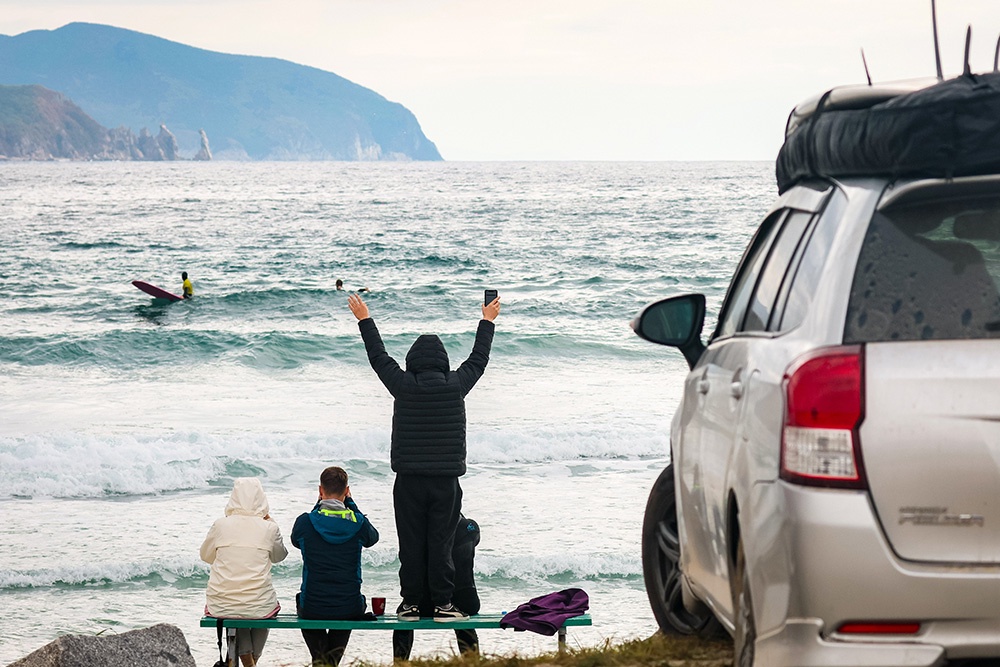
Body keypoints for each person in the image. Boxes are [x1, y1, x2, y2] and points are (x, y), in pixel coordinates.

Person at [347, 292, 499, 621]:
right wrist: (487, 321)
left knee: (411, 545)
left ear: (413, 361)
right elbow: (479, 359)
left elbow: (378, 357)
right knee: (442, 544)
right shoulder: (456, 384)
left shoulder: (403, 384)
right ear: (443, 361)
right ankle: (444, 604)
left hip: (409, 482)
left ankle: (412, 604)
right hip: (446, 483)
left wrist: (364, 319)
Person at [291, 466, 379, 666]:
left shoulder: (304, 522)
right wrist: (352, 506)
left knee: (303, 603)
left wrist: (318, 504)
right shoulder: (358, 523)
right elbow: (372, 538)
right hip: (349, 606)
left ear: (320, 490)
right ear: (347, 491)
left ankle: (322, 662)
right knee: (349, 605)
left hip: (312, 606)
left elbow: (296, 540)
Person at [201, 478, 288, 667]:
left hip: (221, 603)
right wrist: (271, 523)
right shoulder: (269, 527)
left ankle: (245, 662)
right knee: (261, 606)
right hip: (259, 605)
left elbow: (206, 556)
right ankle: (251, 662)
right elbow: (279, 556)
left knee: (235, 608)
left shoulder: (220, 525)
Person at [393, 515, 482, 659]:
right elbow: (474, 540)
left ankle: (400, 663)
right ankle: (472, 661)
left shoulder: (423, 532)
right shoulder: (469, 526)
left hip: (428, 604)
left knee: (404, 615)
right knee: (464, 614)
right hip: (468, 601)